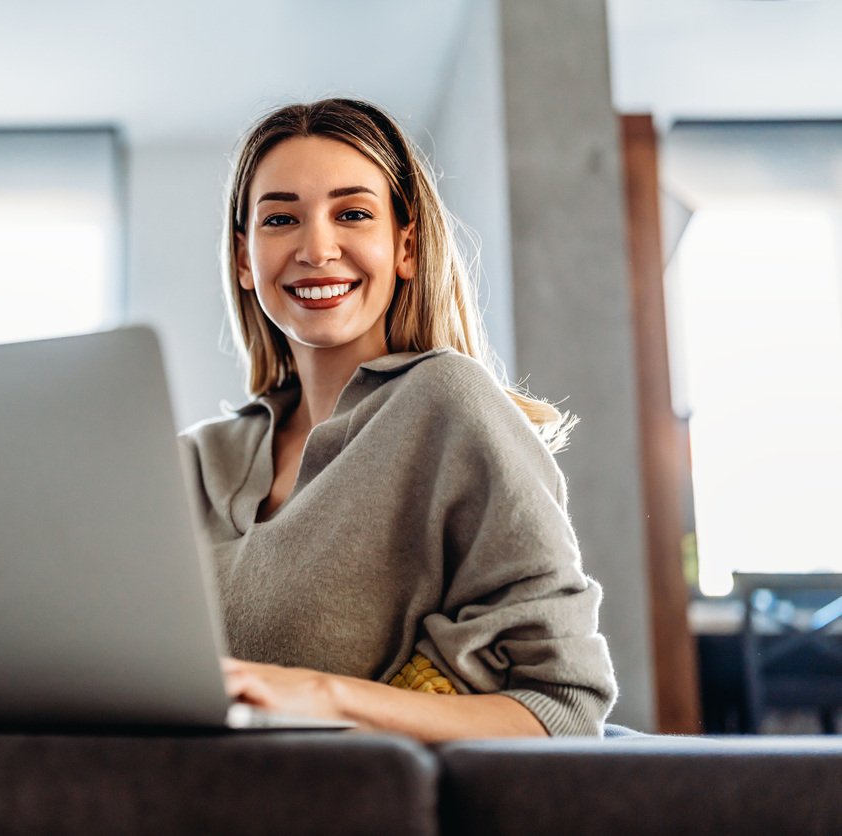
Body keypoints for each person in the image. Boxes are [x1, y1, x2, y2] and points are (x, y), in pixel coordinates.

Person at [180, 98, 617, 741]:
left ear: (405, 247)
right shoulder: (195, 459)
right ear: (245, 259)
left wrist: (325, 696)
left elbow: (564, 707)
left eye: (352, 214)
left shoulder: (447, 404)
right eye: (280, 219)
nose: (316, 248)